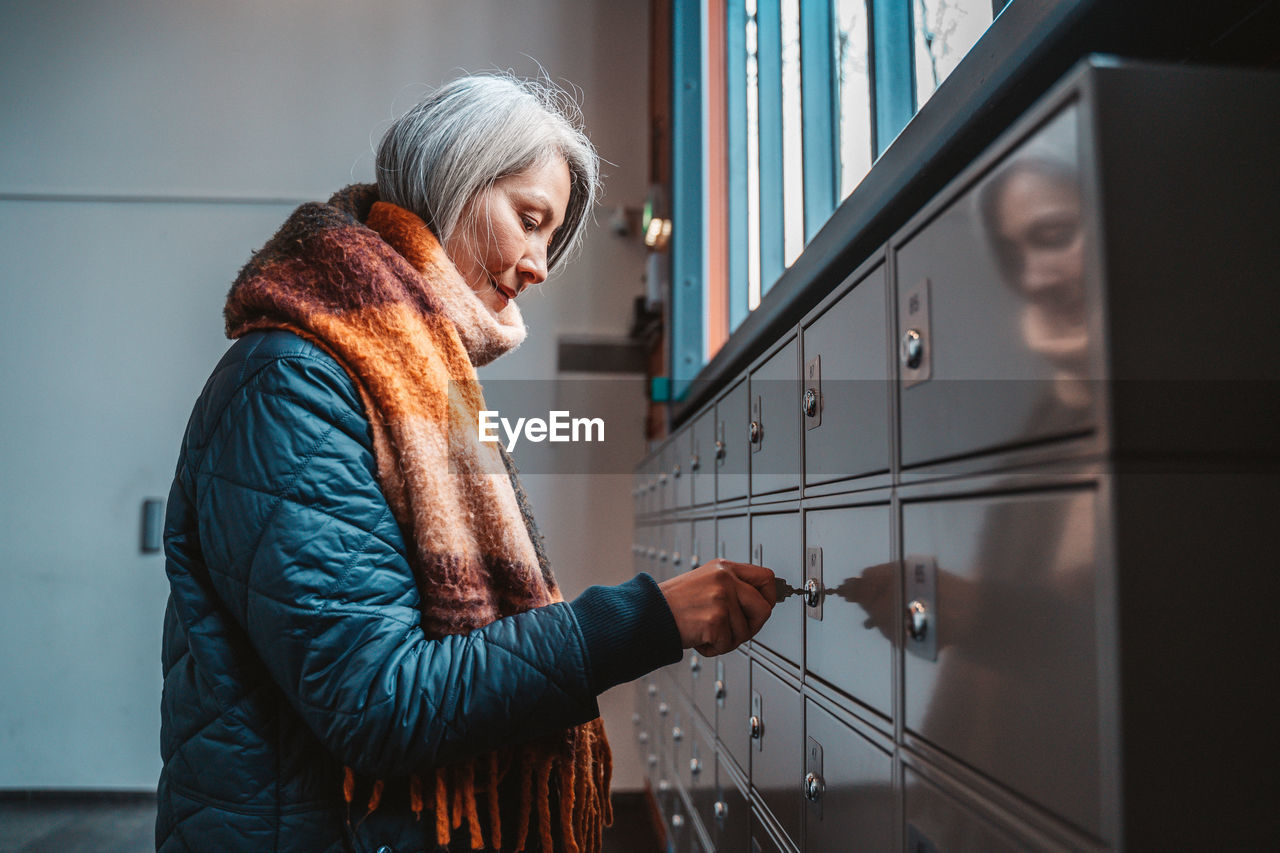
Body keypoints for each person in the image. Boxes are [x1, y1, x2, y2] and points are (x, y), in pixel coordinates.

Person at [157, 74, 776, 853]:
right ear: (454, 181)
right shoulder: (293, 381)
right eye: (529, 219)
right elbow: (381, 700)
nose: (538, 265)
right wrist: (648, 620)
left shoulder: (401, 377)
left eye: (550, 237)